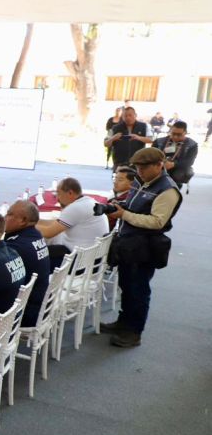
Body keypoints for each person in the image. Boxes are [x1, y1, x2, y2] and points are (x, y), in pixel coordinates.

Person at [103, 148, 183, 348]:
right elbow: (134, 207)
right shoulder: (141, 181)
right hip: (129, 243)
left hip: (145, 247)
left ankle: (134, 332)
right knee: (127, 286)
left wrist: (124, 215)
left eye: (144, 168)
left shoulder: (168, 190)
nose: (140, 171)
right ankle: (124, 323)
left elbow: (157, 222)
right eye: (138, 167)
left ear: (159, 165)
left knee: (139, 289)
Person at [36, 177, 110, 265]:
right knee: (48, 249)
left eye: (59, 193)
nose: (57, 198)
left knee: (36, 254)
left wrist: (27, 225)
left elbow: (49, 233)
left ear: (70, 193)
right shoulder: (88, 202)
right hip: (92, 257)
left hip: (79, 261)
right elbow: (55, 223)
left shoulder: (75, 208)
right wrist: (35, 221)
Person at [3, 200, 50, 325]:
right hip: (38, 303)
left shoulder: (18, 246)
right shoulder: (35, 235)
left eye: (9, 214)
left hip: (25, 313)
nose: (4, 218)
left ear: (23, 221)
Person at [153, 121, 198, 188]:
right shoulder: (158, 142)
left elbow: (190, 161)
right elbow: (151, 156)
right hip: (159, 169)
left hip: (177, 173)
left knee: (174, 189)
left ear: (185, 132)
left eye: (179, 134)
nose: (175, 137)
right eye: (173, 133)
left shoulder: (192, 145)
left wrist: (173, 164)